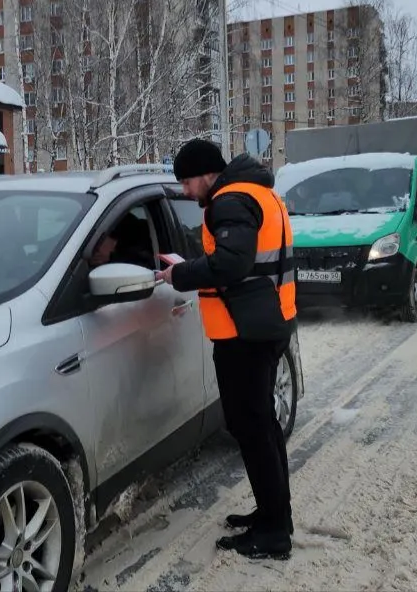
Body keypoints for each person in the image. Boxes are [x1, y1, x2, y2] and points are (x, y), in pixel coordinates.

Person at [154, 139, 295, 561]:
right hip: (266, 323)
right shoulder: (259, 193)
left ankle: (273, 533)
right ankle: (274, 515)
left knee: (252, 430)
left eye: (186, 180)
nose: (184, 190)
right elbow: (246, 262)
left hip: (246, 334)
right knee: (263, 428)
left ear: (204, 173)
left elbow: (233, 264)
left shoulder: (229, 201)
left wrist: (180, 274)